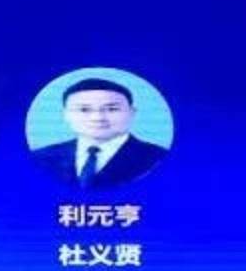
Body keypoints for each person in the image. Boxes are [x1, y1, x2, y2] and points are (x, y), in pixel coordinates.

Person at [29, 77, 169, 188]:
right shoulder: (42, 157)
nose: (98, 118)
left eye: (112, 109)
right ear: (66, 115)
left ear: (132, 113)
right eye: (84, 110)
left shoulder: (159, 158)